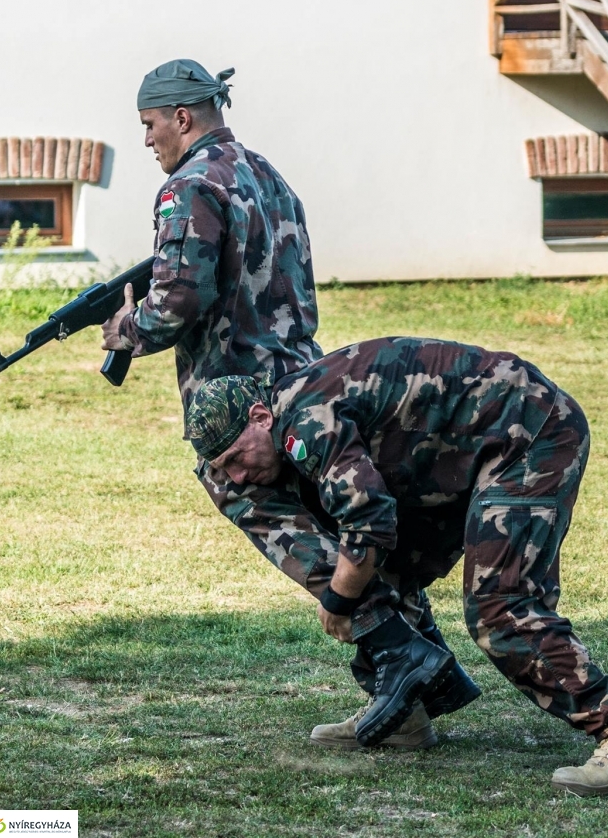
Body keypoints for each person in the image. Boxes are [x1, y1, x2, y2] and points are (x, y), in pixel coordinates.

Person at [100, 59, 479, 748]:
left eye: (150, 124)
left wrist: (127, 327)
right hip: (304, 377)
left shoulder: (189, 186)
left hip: (238, 400)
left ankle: (397, 650)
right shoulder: (269, 176)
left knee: (274, 516)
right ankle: (416, 687)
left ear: (182, 116)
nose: (147, 139)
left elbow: (177, 299)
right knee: (338, 517)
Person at [185, 336, 608, 798]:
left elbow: (368, 519)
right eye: (225, 469)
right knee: (381, 573)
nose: (239, 476)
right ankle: (406, 713)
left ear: (260, 417)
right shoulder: (287, 415)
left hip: (530, 432)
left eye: (237, 457)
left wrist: (337, 600)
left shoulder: (307, 418)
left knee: (499, 605)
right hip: (458, 455)